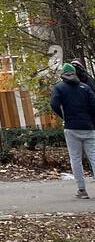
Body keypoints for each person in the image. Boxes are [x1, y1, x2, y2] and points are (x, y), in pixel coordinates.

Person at [50, 63, 95, 199]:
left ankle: (82, 190)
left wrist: (64, 116)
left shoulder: (59, 87)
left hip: (71, 127)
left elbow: (54, 104)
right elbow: (94, 105)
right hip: (88, 127)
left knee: (75, 159)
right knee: (93, 156)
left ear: (63, 74)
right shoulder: (85, 87)